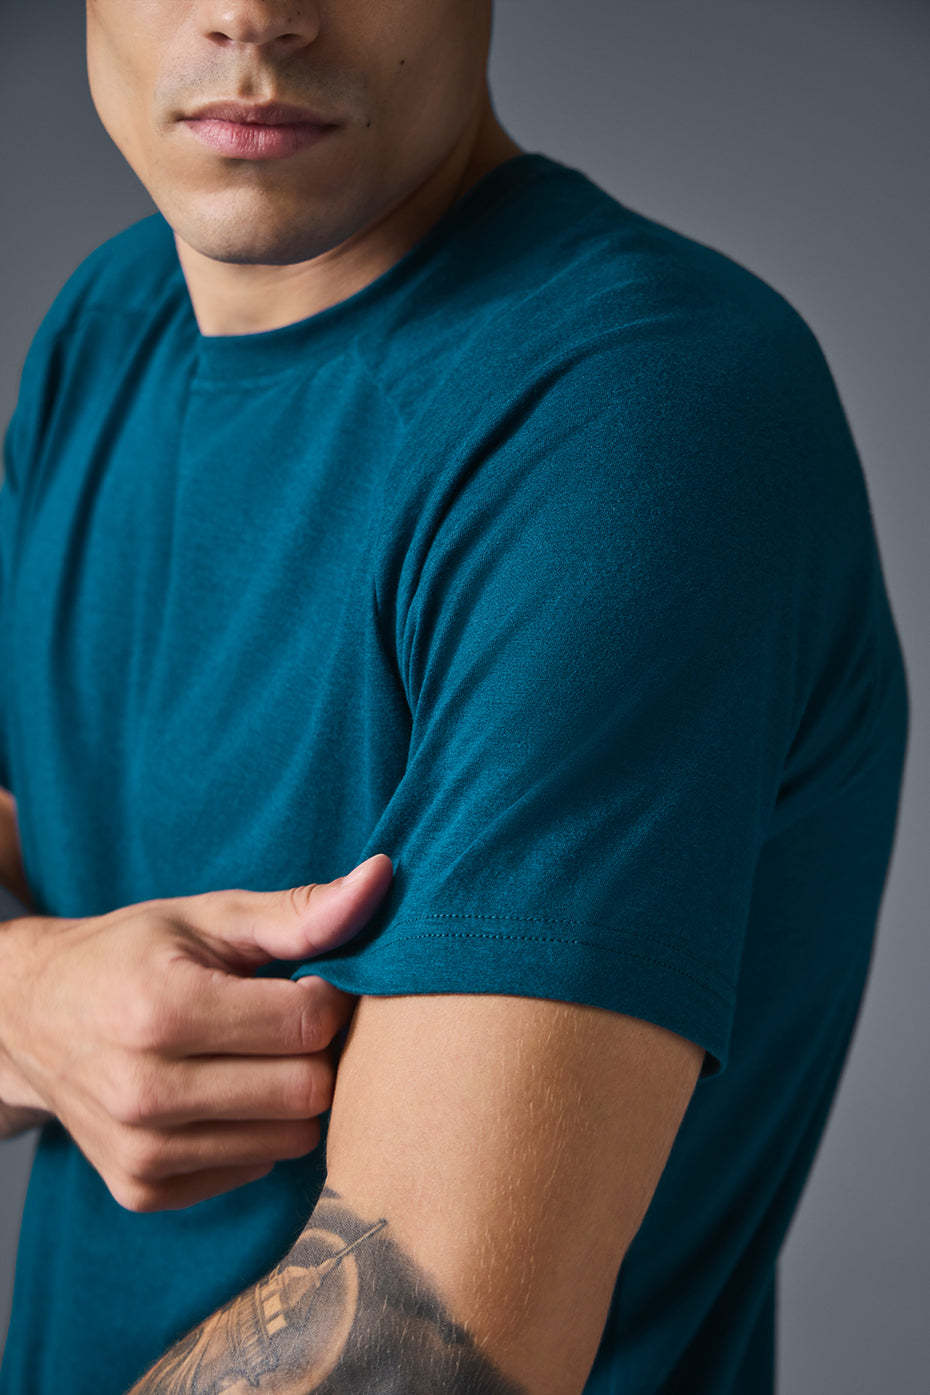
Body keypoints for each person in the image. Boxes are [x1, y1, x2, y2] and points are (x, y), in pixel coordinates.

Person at [0, 1, 910, 1392]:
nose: (251, 11)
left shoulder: (640, 408)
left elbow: (407, 1356)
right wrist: (23, 999)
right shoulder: (109, 328)